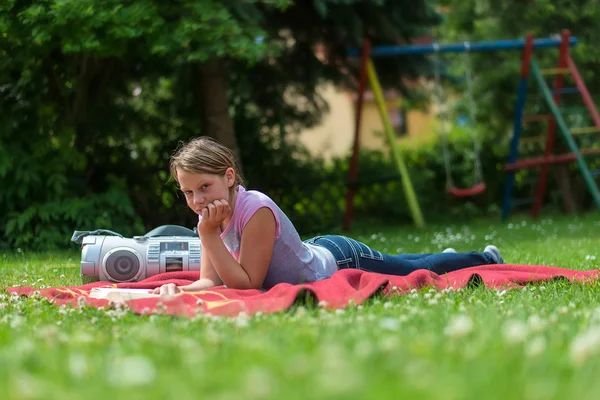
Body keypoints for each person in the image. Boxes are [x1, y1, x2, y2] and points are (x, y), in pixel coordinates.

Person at [153, 136, 504, 296]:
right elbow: (211, 281)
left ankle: (484, 257)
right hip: (319, 250)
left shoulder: (254, 208)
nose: (197, 199)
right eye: (188, 192)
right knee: (409, 262)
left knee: (411, 269)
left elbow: (247, 284)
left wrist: (208, 237)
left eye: (204, 186)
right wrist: (175, 290)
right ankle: (443, 259)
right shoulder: (211, 221)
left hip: (338, 258)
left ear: (229, 177)